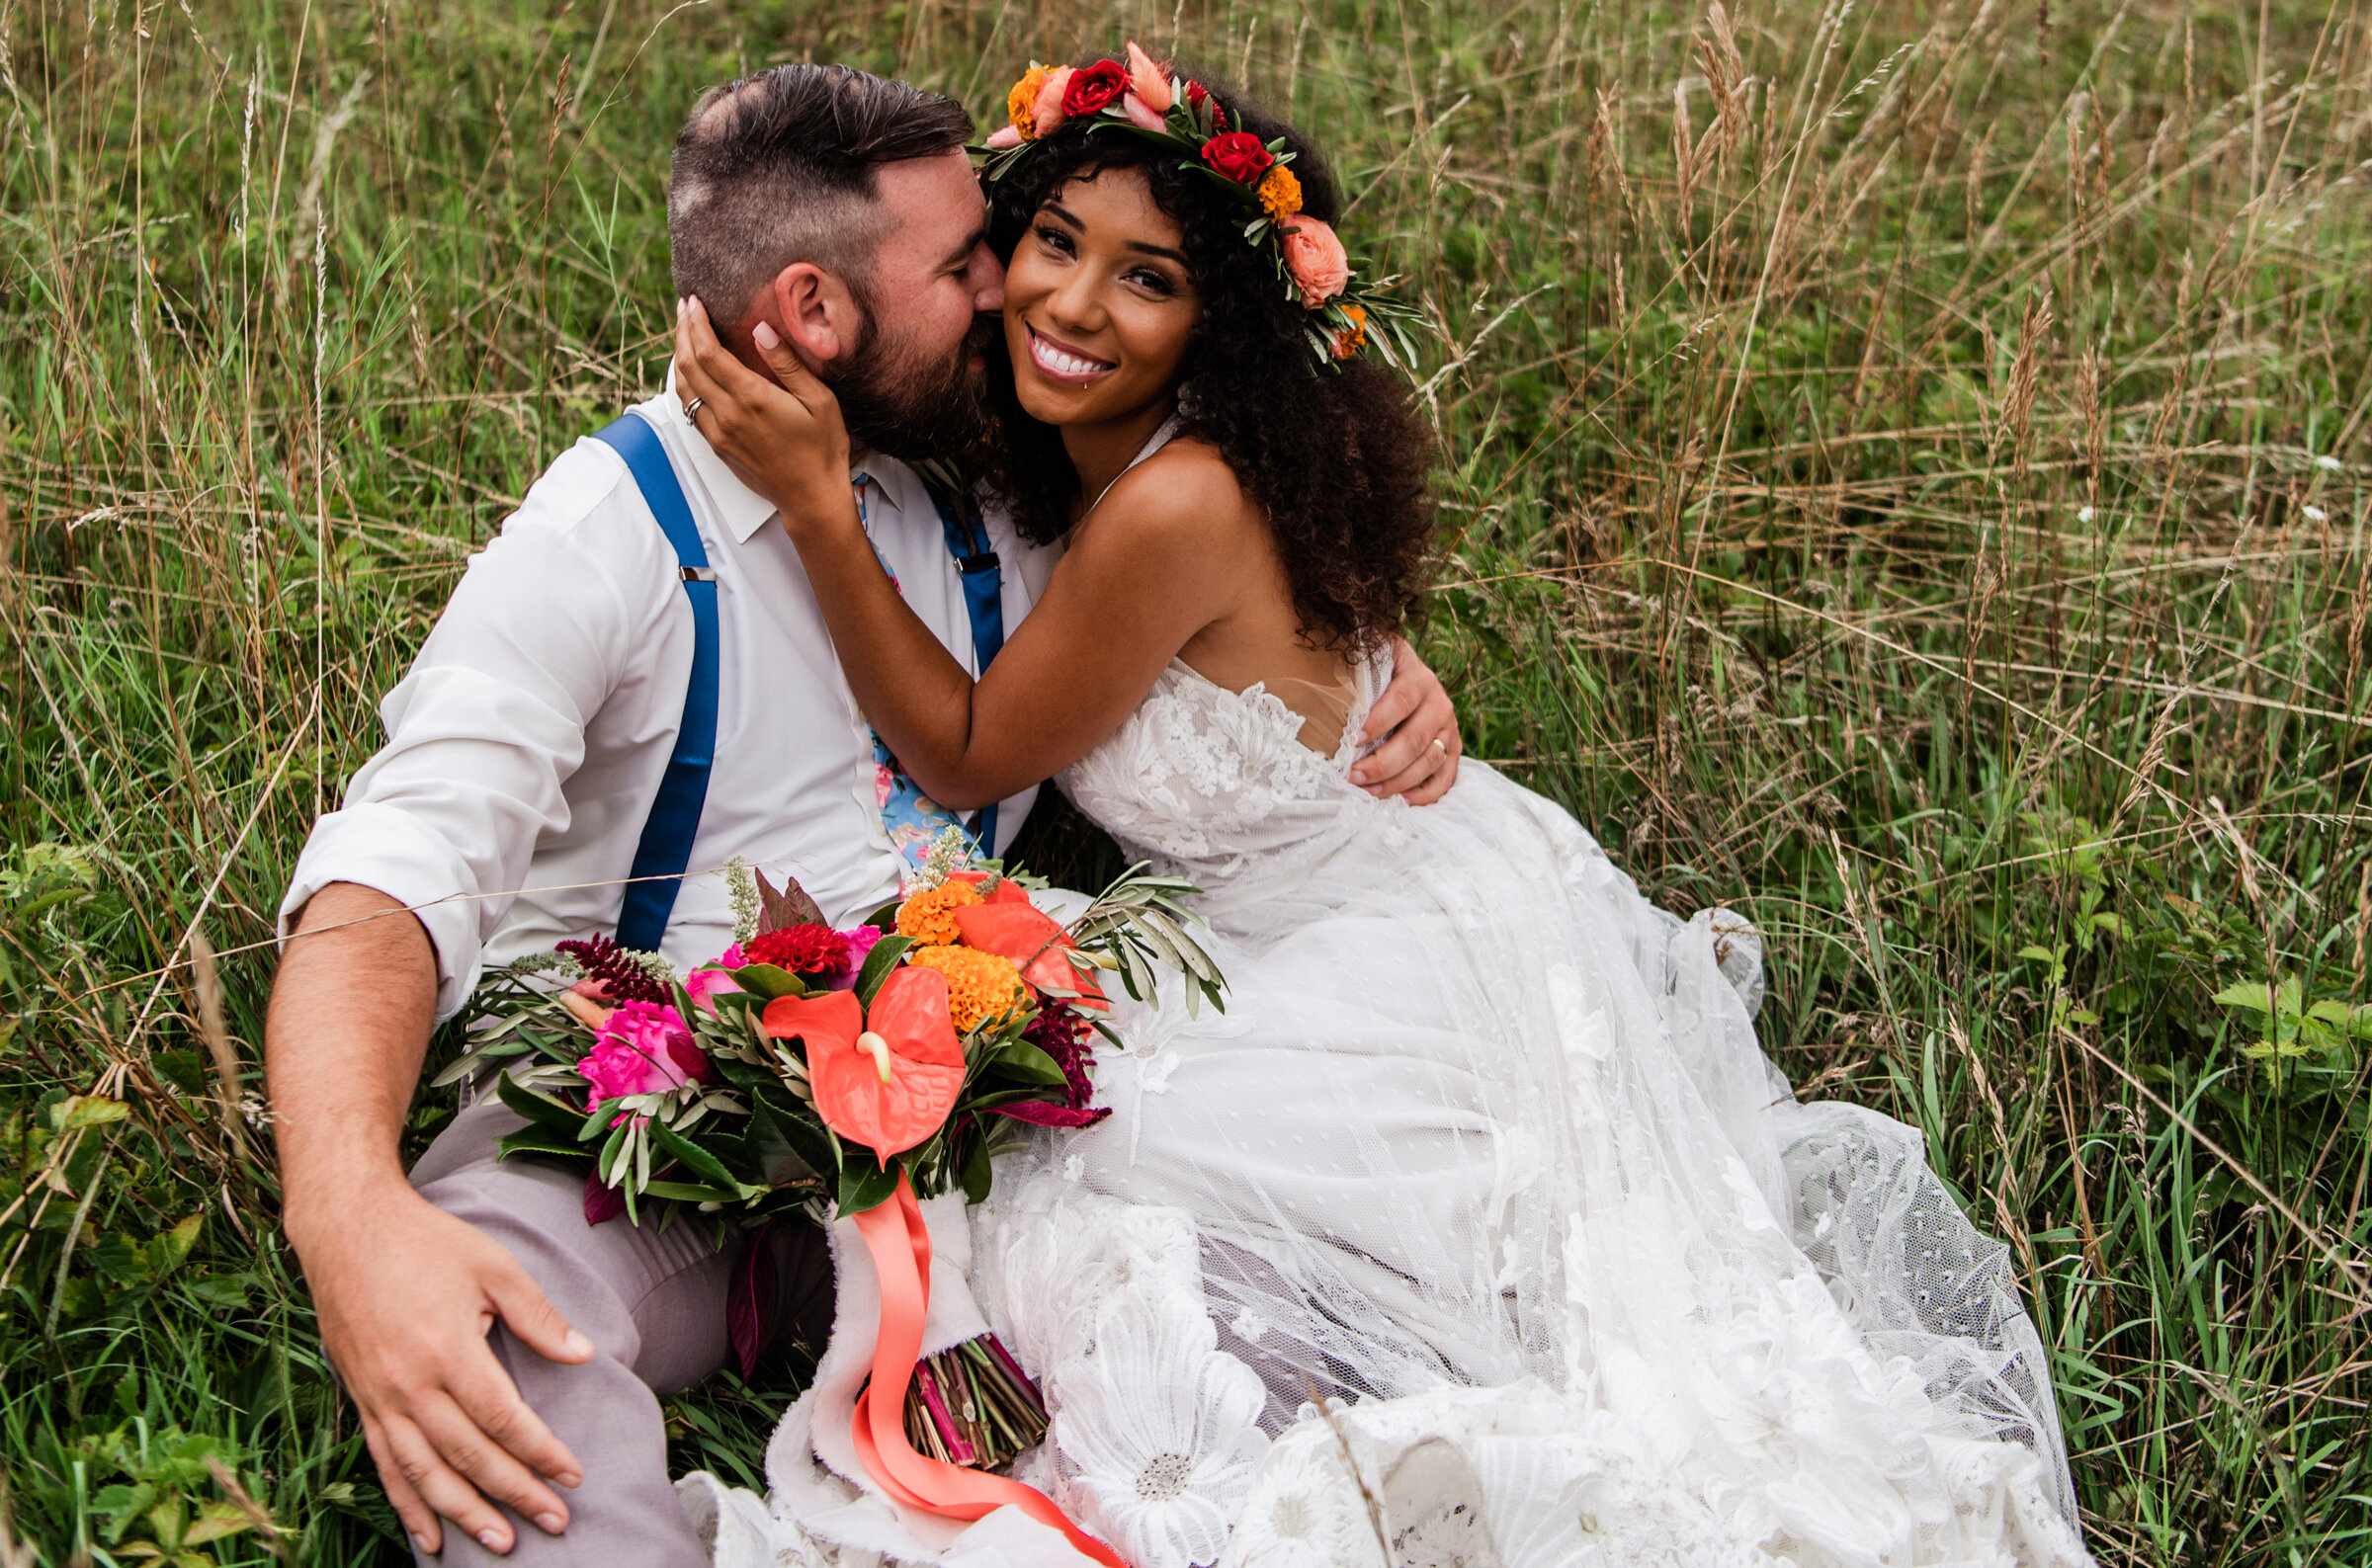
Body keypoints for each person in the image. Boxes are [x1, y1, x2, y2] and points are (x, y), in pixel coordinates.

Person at [673, 50, 2095, 1567]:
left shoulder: (1171, 502)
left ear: (1218, 331)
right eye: (1053, 241)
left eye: (1147, 279)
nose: (1073, 304)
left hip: (1391, 933)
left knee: (1066, 1164)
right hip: (1391, 873)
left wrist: (820, 512)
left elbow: (964, 753)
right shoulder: (1117, 458)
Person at [262, 63, 1465, 1568]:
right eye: (968, 264)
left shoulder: (991, 494)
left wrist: (1366, 678)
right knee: (496, 1298)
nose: (1009, 294)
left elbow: (1196, 611)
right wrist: (348, 1217)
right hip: (671, 1130)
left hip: (999, 1131)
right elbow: (389, 876)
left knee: (1288, 1340)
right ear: (819, 315)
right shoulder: (609, 533)